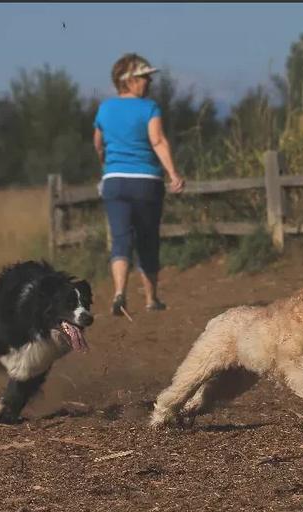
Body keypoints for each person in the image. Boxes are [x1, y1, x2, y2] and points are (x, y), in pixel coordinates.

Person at [93, 53, 185, 316]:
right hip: (146, 183)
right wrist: (173, 173)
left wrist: (105, 163)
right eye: (144, 77)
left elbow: (97, 143)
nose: (149, 82)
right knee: (147, 239)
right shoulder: (149, 108)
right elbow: (157, 141)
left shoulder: (105, 109)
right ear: (129, 80)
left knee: (120, 239)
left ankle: (119, 292)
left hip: (115, 181)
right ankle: (151, 299)